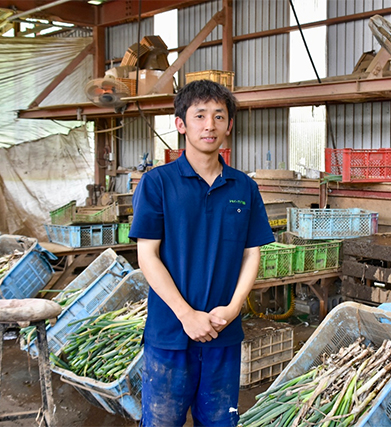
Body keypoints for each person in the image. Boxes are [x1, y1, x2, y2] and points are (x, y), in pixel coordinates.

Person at [129, 79, 275, 427]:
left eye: (218, 116)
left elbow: (251, 254)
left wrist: (235, 307)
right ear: (181, 125)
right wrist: (186, 315)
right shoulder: (158, 183)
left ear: (229, 125)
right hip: (169, 335)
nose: (209, 125)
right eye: (199, 116)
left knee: (219, 422)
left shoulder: (244, 187)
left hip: (223, 333)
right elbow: (147, 255)